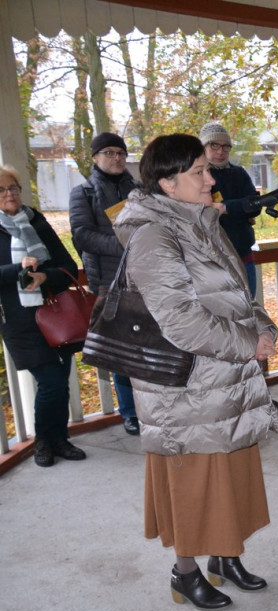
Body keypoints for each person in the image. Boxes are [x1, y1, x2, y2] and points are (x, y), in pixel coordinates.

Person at [112, 134, 278, 609]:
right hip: (185, 385)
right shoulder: (153, 234)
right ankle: (184, 573)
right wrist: (248, 345)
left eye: (209, 169)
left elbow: (233, 290)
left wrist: (261, 326)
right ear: (168, 184)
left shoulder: (202, 222)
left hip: (221, 376)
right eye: (200, 172)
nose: (211, 179)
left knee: (230, 472)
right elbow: (181, 320)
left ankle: (223, 557)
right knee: (195, 481)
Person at [0, 165, 88, 467]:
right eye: (1, 190)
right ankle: (43, 442)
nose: (9, 194)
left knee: (60, 380)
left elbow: (65, 265)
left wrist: (43, 278)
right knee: (50, 382)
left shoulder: (36, 220)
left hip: (53, 313)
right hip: (18, 320)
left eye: (13, 188)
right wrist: (18, 270)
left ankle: (59, 439)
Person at [69, 132, 141, 435]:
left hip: (142, 278)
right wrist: (124, 243)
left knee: (146, 344)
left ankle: (150, 405)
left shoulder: (138, 189)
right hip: (107, 283)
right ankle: (129, 412)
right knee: (120, 351)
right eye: (109, 153)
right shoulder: (83, 193)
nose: (117, 158)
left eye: (121, 153)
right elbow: (82, 235)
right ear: (96, 157)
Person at [199, 123, 261, 296]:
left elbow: (255, 206)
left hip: (243, 255)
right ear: (203, 147)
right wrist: (241, 210)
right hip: (212, 259)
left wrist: (225, 208)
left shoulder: (239, 173)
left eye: (225, 146)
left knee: (249, 307)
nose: (220, 151)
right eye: (214, 145)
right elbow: (204, 212)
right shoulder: (196, 175)